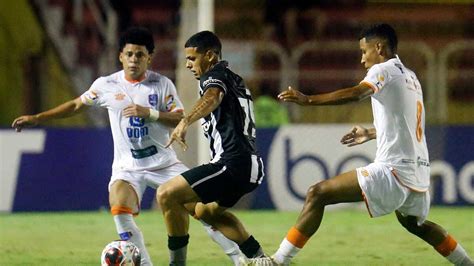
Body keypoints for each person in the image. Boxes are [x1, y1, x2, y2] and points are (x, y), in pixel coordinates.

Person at [245, 23, 474, 265]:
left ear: (379, 47)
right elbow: (406, 123)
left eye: (365, 51)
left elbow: (357, 93)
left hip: (393, 171)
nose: (362, 58)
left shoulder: (382, 69)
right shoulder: (410, 76)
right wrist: (372, 132)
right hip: (418, 173)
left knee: (317, 193)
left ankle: (277, 261)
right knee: (416, 225)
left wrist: (308, 99)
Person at [11, 27, 242, 266]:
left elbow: (180, 118)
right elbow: (75, 105)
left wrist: (149, 113)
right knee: (119, 205)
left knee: (203, 211)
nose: (134, 60)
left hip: (164, 164)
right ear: (120, 56)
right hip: (127, 167)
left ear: (149, 58)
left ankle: (239, 259)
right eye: (129, 54)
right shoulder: (105, 84)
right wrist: (38, 118)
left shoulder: (162, 85)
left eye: (140, 55)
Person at [156, 30, 266, 265]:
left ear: (211, 56)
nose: (187, 65)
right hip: (252, 165)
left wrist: (185, 120)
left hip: (233, 163)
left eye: (192, 58)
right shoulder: (235, 78)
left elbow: (213, 96)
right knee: (205, 212)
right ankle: (259, 258)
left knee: (166, 194)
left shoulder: (213, 77)